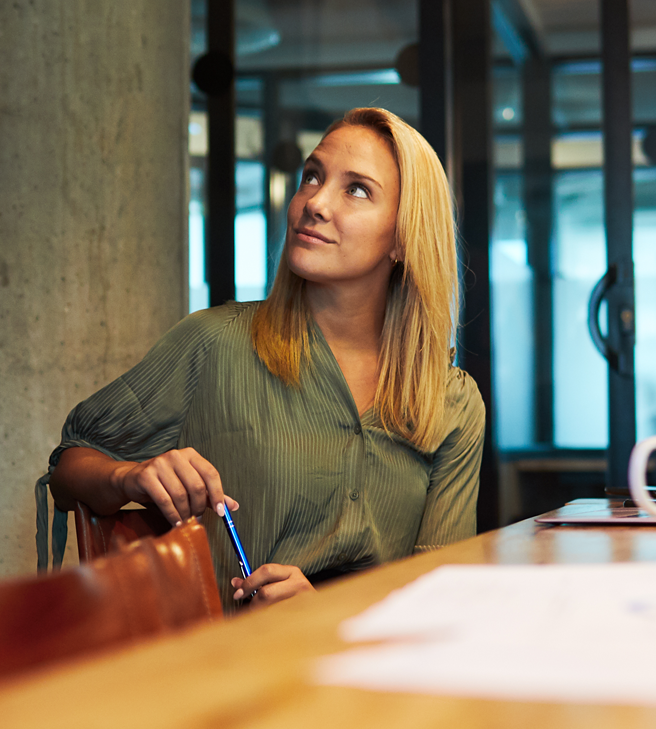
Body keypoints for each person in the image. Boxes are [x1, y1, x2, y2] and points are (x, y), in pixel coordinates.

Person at [37, 107, 485, 614]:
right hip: (224, 671)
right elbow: (69, 464)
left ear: (404, 236)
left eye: (356, 189)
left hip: (373, 674)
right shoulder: (212, 342)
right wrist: (129, 476)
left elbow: (438, 596)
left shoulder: (451, 401)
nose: (314, 202)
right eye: (311, 177)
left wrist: (324, 613)